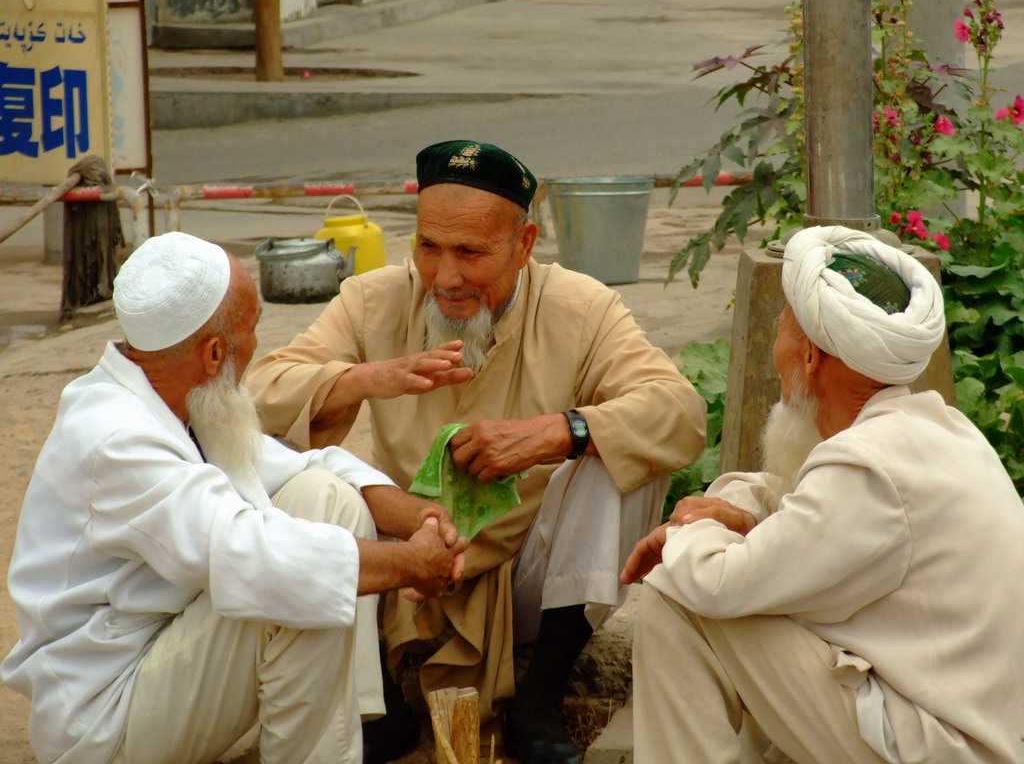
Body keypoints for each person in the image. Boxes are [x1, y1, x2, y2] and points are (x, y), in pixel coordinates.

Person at [245, 140, 707, 763]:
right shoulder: (373, 298)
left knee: (622, 458)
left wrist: (558, 432)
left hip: (528, 581)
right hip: (404, 570)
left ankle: (538, 700)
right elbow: (255, 397)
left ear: (524, 245)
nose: (446, 277)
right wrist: (362, 379)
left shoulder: (582, 306)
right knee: (311, 487)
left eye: (470, 252)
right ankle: (378, 702)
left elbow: (680, 412)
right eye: (429, 247)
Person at [2, 231, 468, 764]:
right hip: (105, 716)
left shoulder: (176, 393)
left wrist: (417, 515)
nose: (256, 349)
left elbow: (301, 464)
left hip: (172, 664)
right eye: (252, 332)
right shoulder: (115, 436)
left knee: (327, 498)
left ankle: (342, 730)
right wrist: (411, 566)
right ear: (215, 351)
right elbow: (254, 555)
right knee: (290, 584)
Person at [622, 225, 1024, 764]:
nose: (775, 349)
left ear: (810, 356)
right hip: (955, 727)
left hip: (940, 746)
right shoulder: (935, 428)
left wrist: (686, 532)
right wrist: (733, 512)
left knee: (678, 594)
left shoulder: (867, 466)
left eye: (780, 329)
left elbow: (716, 585)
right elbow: (796, 507)